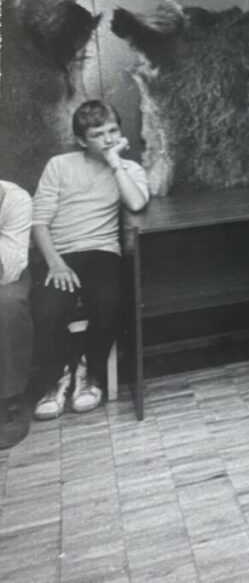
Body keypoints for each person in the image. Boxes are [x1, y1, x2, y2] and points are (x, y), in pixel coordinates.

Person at [31, 100, 150, 419]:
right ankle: (57, 379)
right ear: (82, 141)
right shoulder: (59, 165)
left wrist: (115, 162)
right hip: (60, 254)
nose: (108, 139)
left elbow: (136, 203)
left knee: (110, 302)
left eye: (113, 131)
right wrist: (55, 263)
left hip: (102, 251)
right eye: (98, 134)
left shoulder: (129, 170)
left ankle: (89, 372)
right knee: (46, 309)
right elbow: (38, 222)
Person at [0, 179, 33, 447]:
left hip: (5, 277)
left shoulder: (14, 199)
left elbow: (11, 270)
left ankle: (7, 402)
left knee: (7, 306)